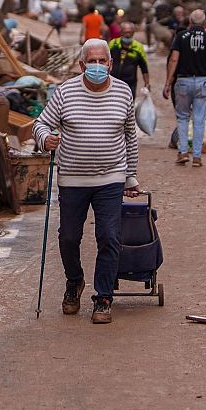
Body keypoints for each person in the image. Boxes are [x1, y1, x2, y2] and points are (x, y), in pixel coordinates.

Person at [33, 39, 141, 325]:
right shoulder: (65, 92)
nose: (96, 66)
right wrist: (46, 139)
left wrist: (130, 176)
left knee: (109, 237)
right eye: (90, 62)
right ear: (81, 65)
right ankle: (75, 281)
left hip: (111, 177)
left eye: (101, 61)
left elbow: (131, 135)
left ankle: (103, 296)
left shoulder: (122, 92)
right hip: (72, 178)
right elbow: (40, 124)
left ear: (110, 64)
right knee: (68, 237)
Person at [165, 9, 206, 167]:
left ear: (189, 22)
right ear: (204, 23)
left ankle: (183, 152)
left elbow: (174, 59)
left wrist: (168, 82)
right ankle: (196, 156)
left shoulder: (181, 37)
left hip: (183, 81)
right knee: (199, 119)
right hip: (203, 82)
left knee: (182, 117)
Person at [108, 22, 151, 96]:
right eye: (125, 32)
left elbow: (144, 67)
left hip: (130, 84)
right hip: (112, 82)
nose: (127, 34)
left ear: (133, 33)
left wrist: (147, 83)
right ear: (121, 32)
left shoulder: (138, 47)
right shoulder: (113, 44)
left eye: (130, 32)